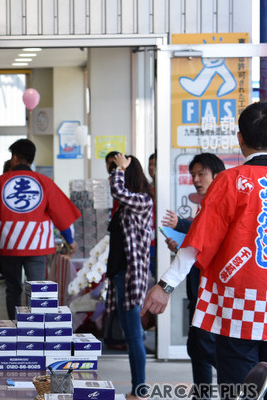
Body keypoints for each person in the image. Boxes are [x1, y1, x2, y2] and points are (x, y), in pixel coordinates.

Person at [142, 102, 267, 399]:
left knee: (239, 389)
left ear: (240, 138)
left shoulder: (230, 181)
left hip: (239, 301)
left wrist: (164, 285)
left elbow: (199, 242)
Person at [0, 139, 80, 319]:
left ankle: (15, 326)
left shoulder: (0, 182)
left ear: (15, 157)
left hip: (8, 244)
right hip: (37, 245)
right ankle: (35, 328)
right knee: (38, 289)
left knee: (13, 289)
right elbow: (60, 215)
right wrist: (70, 240)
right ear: (32, 158)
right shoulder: (44, 182)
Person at [161, 153, 224, 400]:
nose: (196, 179)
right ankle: (202, 396)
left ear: (217, 175)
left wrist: (182, 226)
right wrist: (181, 248)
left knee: (207, 349)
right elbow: (202, 245)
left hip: (211, 293)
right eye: (193, 175)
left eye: (202, 174)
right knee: (198, 348)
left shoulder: (220, 204)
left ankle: (243, 387)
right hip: (197, 289)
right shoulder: (205, 205)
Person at [105, 153, 154, 400]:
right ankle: (138, 388)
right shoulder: (129, 204)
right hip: (120, 274)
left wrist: (119, 170)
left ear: (128, 172)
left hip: (130, 275)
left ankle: (140, 389)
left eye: (118, 170)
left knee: (134, 335)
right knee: (130, 333)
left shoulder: (142, 201)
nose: (113, 175)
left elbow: (118, 191)